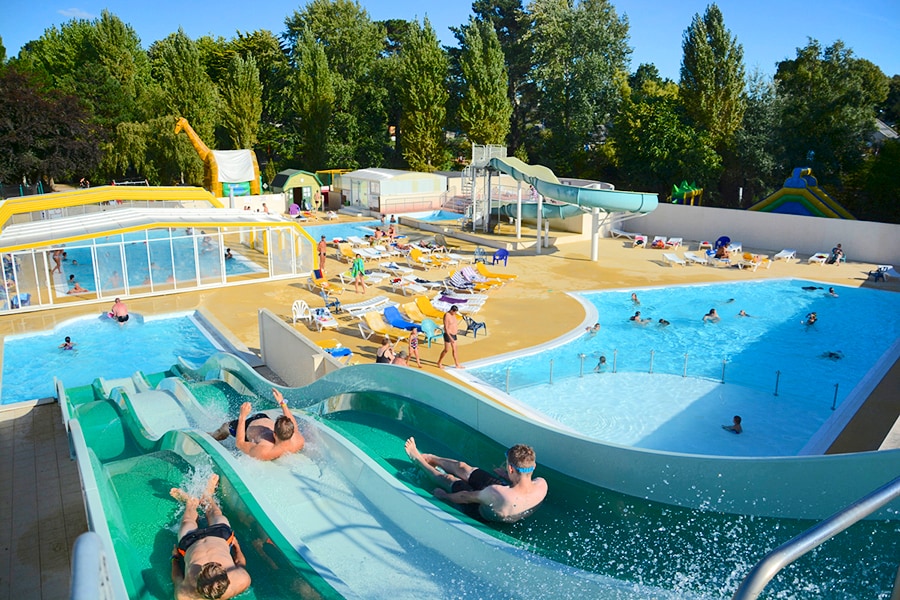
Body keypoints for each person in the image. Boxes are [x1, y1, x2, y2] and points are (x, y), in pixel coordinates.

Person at [404, 437, 547, 523]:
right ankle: (431, 458)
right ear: (533, 466)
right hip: (505, 496)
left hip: (482, 511)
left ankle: (418, 460)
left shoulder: (498, 492)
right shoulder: (542, 484)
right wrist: (505, 476)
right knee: (463, 468)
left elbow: (465, 497)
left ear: (511, 469)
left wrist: (445, 496)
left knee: (449, 479)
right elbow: (521, 489)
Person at [170, 474, 251, 600]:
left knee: (187, 521)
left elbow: (177, 578)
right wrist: (237, 546)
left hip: (190, 543)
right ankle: (207, 497)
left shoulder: (185, 595)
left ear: (197, 581)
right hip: (220, 537)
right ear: (227, 575)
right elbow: (240, 563)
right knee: (215, 513)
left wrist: (174, 559)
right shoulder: (241, 581)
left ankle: (190, 504)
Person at [210, 388, 305, 461]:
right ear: (292, 432)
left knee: (224, 427)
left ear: (274, 434)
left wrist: (242, 416)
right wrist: (282, 403)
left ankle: (212, 436)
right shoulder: (298, 441)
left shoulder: (264, 450)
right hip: (263, 417)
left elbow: (239, 444)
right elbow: (292, 423)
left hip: (248, 426)